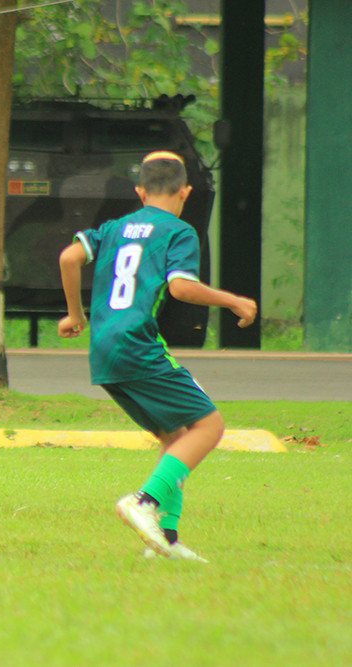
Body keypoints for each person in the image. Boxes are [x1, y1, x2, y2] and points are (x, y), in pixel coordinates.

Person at [57, 150, 258, 562]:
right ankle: (143, 502)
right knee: (209, 426)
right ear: (185, 191)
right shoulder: (179, 231)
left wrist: (76, 315)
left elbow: (68, 257)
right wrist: (233, 300)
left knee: (176, 438)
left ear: (140, 191)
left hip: (105, 351)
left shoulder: (114, 227)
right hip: (138, 344)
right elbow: (182, 288)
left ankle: (166, 540)